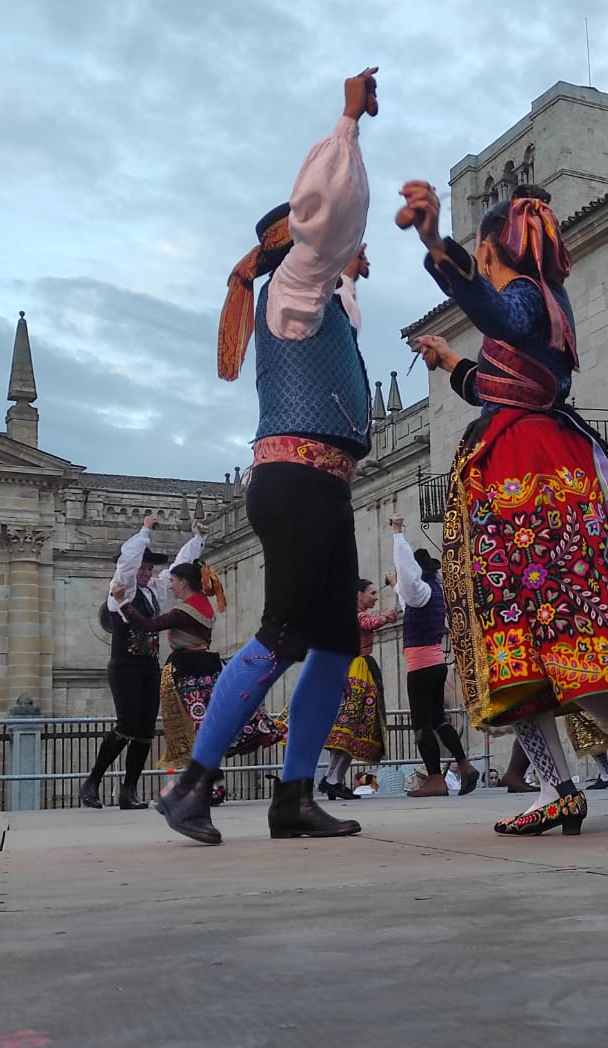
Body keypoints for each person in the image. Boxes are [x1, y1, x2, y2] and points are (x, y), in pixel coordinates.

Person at [401, 176, 608, 837]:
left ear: (492, 246)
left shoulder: (523, 295)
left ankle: (557, 786)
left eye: (481, 253)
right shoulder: (550, 302)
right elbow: (508, 382)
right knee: (567, 638)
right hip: (557, 458)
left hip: (522, 474)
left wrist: (438, 243)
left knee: (512, 638)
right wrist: (453, 362)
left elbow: (502, 317)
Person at [157, 71, 382, 845]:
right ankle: (192, 785)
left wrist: (353, 275)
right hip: (292, 483)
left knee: (334, 644)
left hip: (324, 486)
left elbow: (339, 289)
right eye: (324, 248)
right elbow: (329, 221)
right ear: (288, 239)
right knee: (284, 634)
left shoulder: (317, 302)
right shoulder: (287, 284)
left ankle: (293, 796)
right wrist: (347, 123)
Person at [117, 557, 283, 806]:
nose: (170, 586)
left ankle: (211, 785)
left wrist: (122, 602)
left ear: (183, 582)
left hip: (191, 672)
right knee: (206, 726)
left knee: (199, 729)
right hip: (209, 666)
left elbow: (146, 625)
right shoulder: (204, 604)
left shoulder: (183, 612)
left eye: (172, 581)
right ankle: (211, 783)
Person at [82, 516, 205, 811]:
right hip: (124, 666)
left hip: (149, 667)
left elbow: (177, 568)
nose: (147, 571)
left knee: (144, 730)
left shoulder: (152, 592)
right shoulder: (120, 592)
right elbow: (126, 564)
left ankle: (128, 791)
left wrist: (196, 540)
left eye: (150, 568)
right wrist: (145, 531)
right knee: (126, 724)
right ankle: (93, 781)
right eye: (144, 567)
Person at [389, 516, 478, 797]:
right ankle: (464, 765)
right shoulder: (434, 591)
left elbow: (406, 572)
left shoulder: (419, 588)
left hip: (421, 666)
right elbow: (408, 598)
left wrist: (397, 533)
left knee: (421, 725)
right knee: (438, 719)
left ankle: (437, 779)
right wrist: (395, 585)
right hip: (436, 662)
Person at [319, 578, 400, 800]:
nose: (375, 596)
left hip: (354, 669)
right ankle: (332, 779)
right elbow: (366, 623)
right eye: (372, 593)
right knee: (351, 729)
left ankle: (331, 779)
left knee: (350, 732)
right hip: (357, 670)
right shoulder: (354, 614)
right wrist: (385, 617)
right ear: (358, 594)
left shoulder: (345, 614)